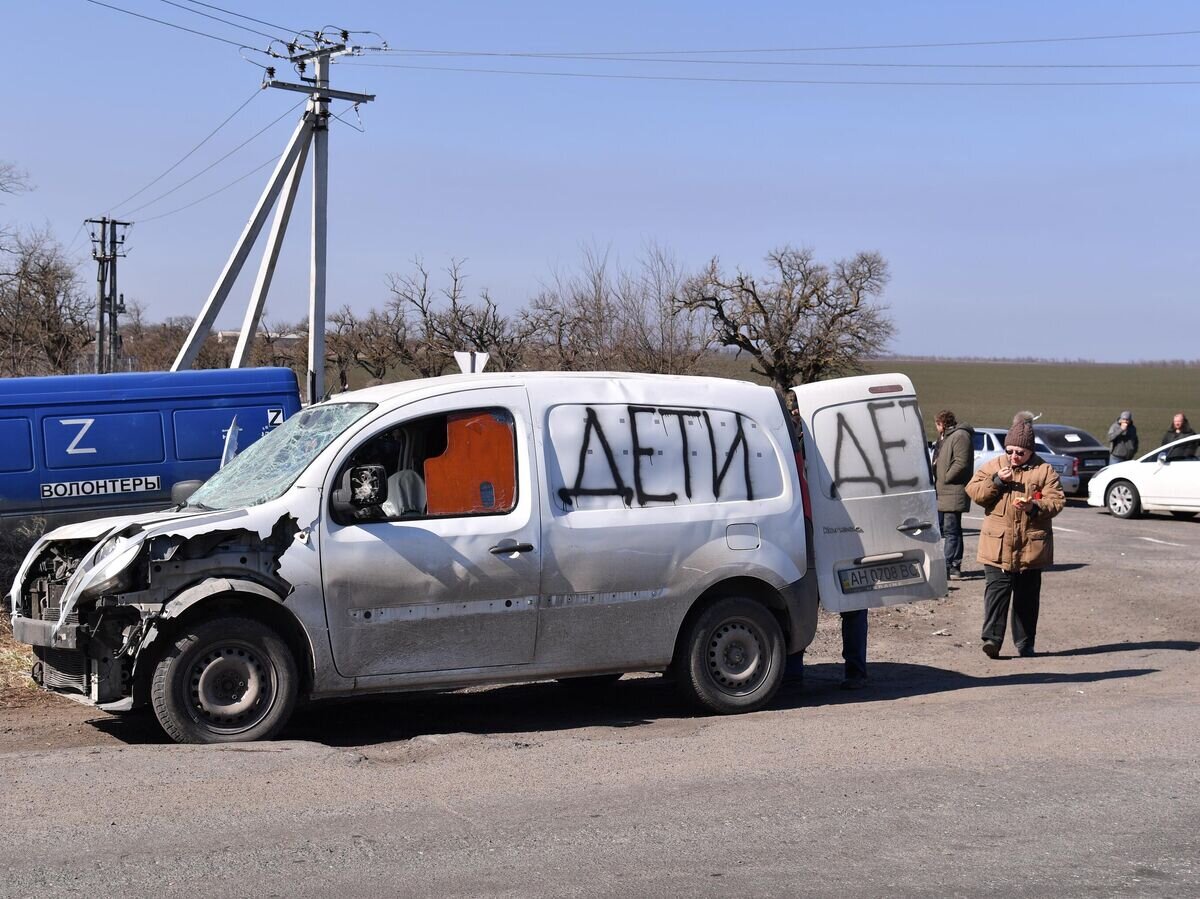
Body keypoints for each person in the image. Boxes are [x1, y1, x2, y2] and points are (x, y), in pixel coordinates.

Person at [965, 411, 1065, 658]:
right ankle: (992, 641)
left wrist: (1034, 507)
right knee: (996, 595)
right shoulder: (995, 466)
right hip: (996, 546)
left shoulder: (1044, 471)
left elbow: (1056, 502)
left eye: (1020, 452)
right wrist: (997, 481)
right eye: (1010, 451)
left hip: (1031, 547)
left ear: (1030, 451)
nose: (1014, 456)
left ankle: (1025, 643)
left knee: (1027, 600)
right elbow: (974, 492)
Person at [933, 410, 972, 579]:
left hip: (953, 490)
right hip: (945, 490)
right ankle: (955, 565)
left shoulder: (960, 436)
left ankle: (948, 565)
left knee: (950, 530)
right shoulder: (946, 437)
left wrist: (946, 477)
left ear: (941, 423)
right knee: (953, 530)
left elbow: (961, 462)